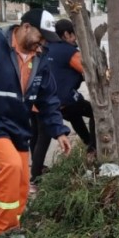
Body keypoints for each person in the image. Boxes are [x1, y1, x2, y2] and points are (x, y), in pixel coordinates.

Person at [0, 9, 72, 238]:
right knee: (10, 166)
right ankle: (2, 235)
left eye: (46, 40)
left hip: (18, 124)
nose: (42, 44)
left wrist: (59, 131)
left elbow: (48, 99)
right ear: (26, 27)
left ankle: (14, 227)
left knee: (21, 180)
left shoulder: (39, 58)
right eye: (41, 37)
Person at [29, 19, 96, 188]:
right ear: (66, 34)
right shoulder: (70, 52)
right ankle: (35, 178)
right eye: (74, 35)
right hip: (56, 101)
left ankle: (37, 170)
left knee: (38, 135)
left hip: (35, 100)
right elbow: (89, 72)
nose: (75, 39)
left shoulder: (43, 48)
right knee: (94, 112)